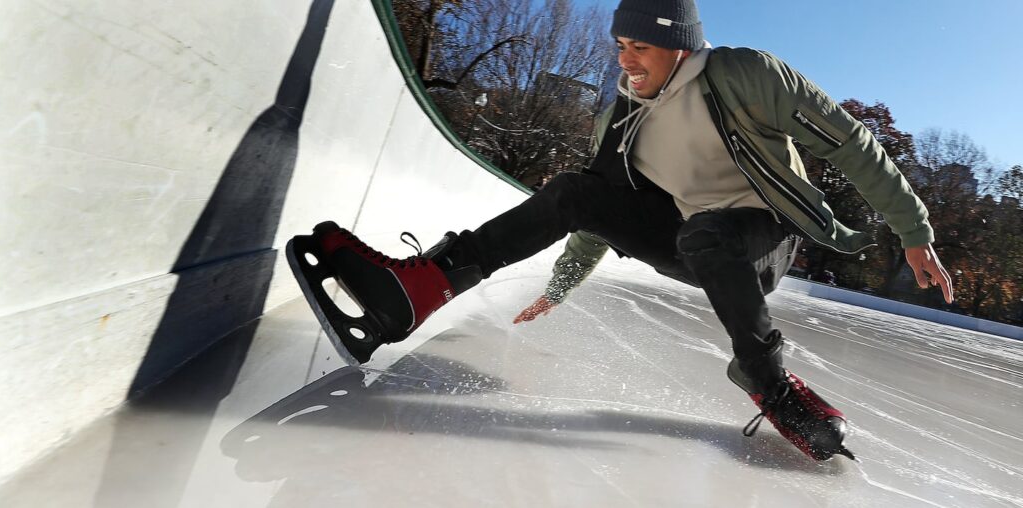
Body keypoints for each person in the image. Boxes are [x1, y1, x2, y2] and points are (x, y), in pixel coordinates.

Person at [288, 0, 953, 461]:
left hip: (765, 236)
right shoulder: (623, 121)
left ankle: (770, 383)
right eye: (620, 47)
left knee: (713, 233)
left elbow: (851, 143)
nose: (626, 61)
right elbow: (596, 217)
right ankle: (423, 287)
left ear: (680, 42)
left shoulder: (746, 75)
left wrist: (913, 232)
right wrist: (562, 284)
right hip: (695, 241)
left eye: (640, 46)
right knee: (579, 189)